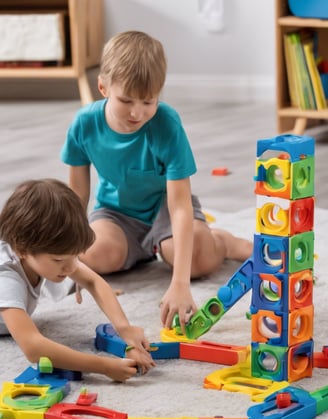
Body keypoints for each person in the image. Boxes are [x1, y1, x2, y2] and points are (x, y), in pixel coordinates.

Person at [60, 30, 253, 334]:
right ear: (103, 87)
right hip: (116, 213)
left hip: (165, 206)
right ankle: (136, 252)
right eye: (126, 100)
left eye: (148, 101)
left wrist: (180, 283)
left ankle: (223, 241)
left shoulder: (167, 124)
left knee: (195, 261)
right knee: (92, 255)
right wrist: (72, 255)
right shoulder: (84, 124)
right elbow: (77, 194)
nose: (138, 112)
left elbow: (179, 206)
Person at [0, 178, 155, 382]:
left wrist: (125, 329)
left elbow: (94, 282)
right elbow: (33, 347)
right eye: (59, 260)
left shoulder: (42, 252)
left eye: (75, 256)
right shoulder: (6, 278)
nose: (72, 267)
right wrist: (103, 366)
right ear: (21, 250)